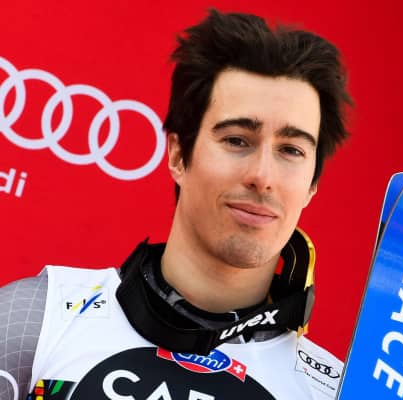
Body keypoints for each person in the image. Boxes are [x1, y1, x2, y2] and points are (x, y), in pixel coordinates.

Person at [0, 8, 352, 400]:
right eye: (237, 140)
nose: (262, 175)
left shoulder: (336, 392)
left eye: (291, 150)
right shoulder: (38, 318)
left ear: (312, 184)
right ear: (178, 155)